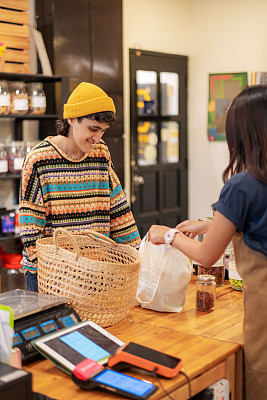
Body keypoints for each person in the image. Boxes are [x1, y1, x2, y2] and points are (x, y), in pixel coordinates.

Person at [148, 85, 267, 399]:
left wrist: (169, 236)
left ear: (242, 132)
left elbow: (206, 255)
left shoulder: (243, 184)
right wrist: (208, 224)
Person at [19, 82, 141, 292]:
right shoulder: (38, 159)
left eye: (102, 131)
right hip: (50, 275)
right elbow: (31, 230)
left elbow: (119, 210)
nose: (97, 138)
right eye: (93, 129)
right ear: (71, 119)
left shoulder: (101, 153)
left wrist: (137, 256)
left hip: (95, 273)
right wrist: (56, 272)